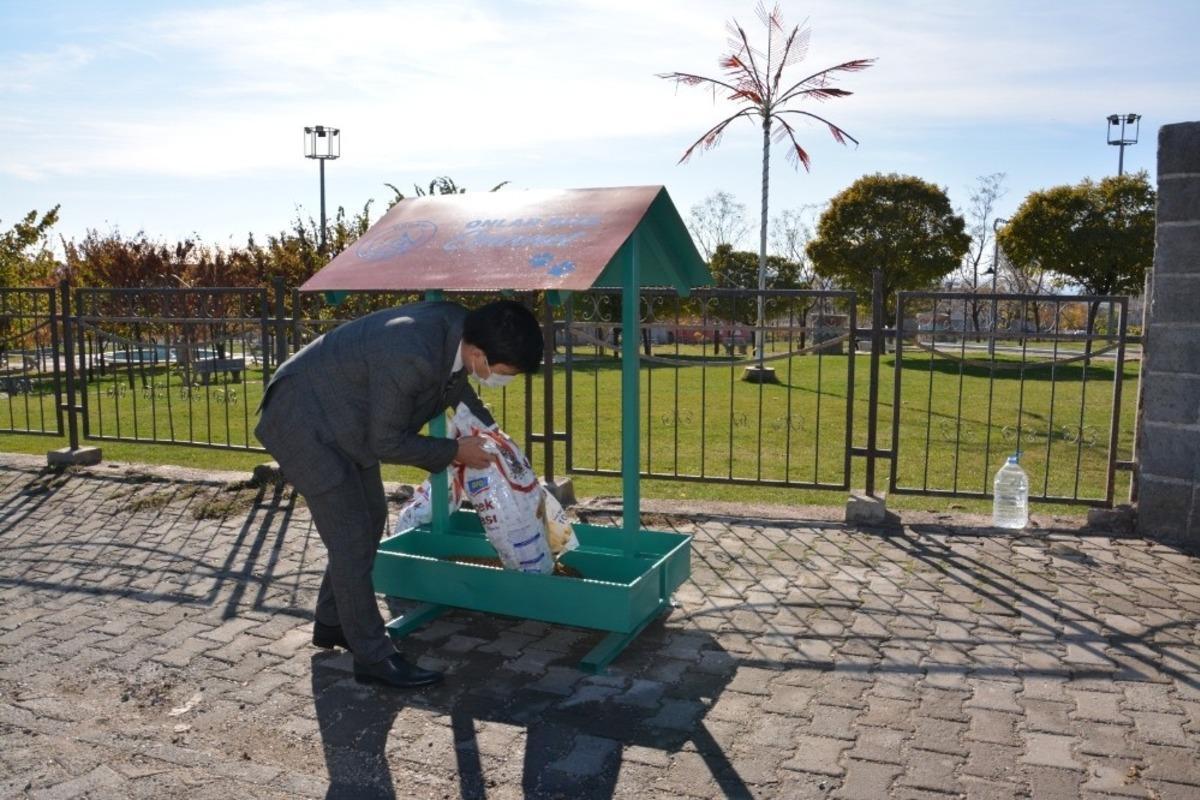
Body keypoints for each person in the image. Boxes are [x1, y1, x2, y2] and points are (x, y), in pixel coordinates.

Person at [255, 299, 543, 689]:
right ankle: (373, 656)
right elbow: (388, 441)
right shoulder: (412, 354)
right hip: (304, 423)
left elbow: (457, 389)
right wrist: (456, 451)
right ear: (479, 354)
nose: (502, 379)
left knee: (371, 519)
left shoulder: (459, 332)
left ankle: (332, 622)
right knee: (352, 539)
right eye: (504, 373)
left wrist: (495, 436)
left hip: (346, 420)